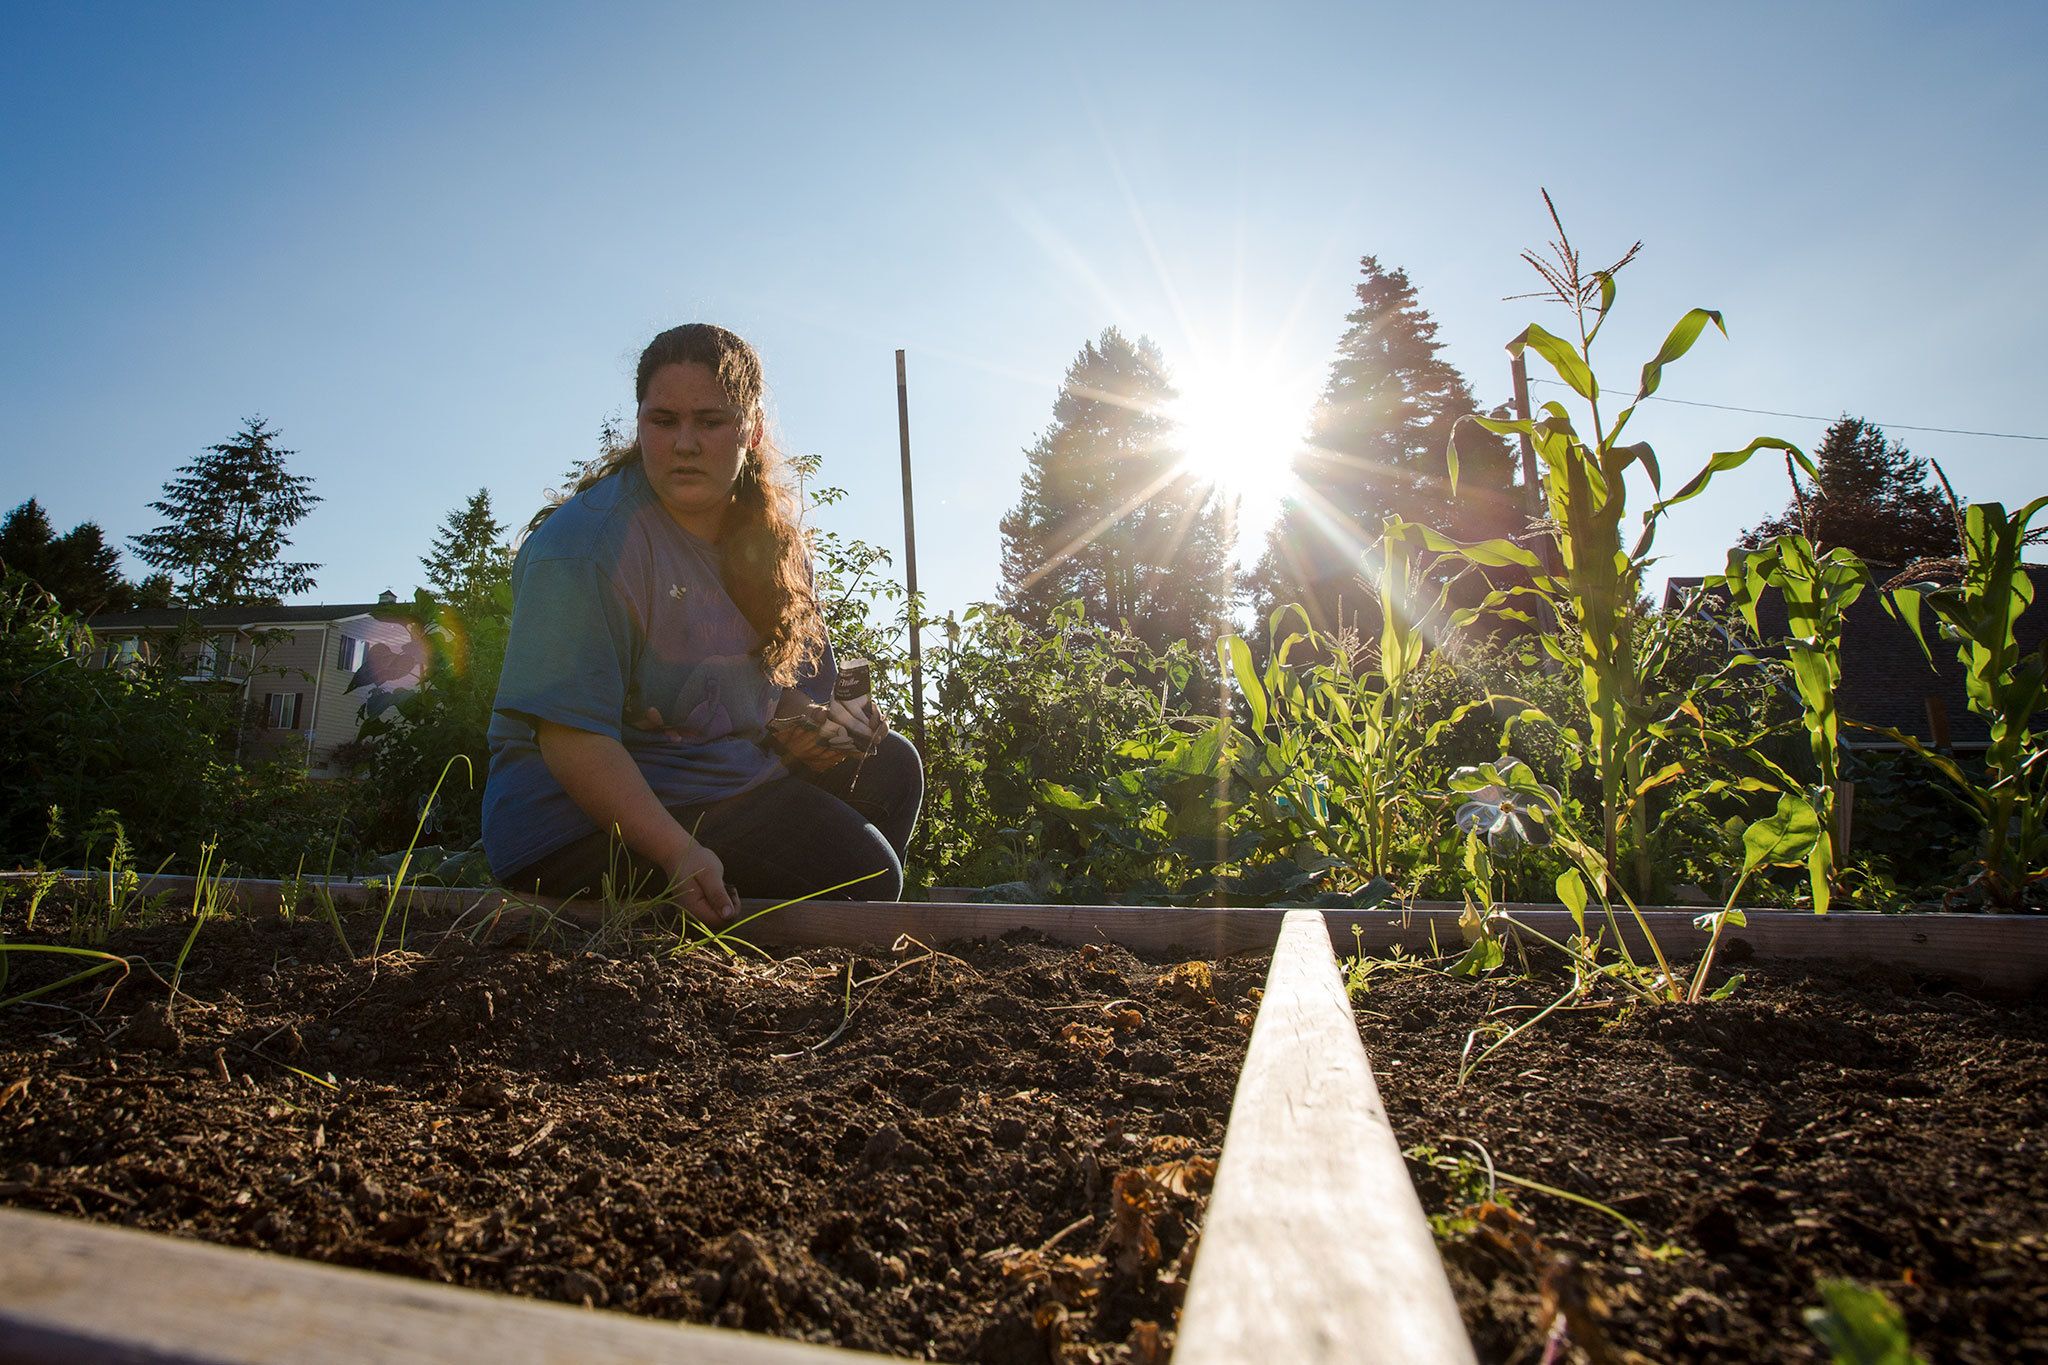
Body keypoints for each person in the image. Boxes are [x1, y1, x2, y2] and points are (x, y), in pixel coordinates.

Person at [482, 323, 923, 924]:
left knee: (891, 765)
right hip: (574, 821)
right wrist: (678, 853)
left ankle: (764, 940)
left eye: (711, 422)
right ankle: (737, 950)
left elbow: (784, 692)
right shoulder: (585, 549)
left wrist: (822, 728)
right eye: (663, 421)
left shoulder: (768, 541)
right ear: (639, 425)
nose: (685, 443)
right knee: (864, 877)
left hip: (712, 778)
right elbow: (570, 737)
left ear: (752, 430)